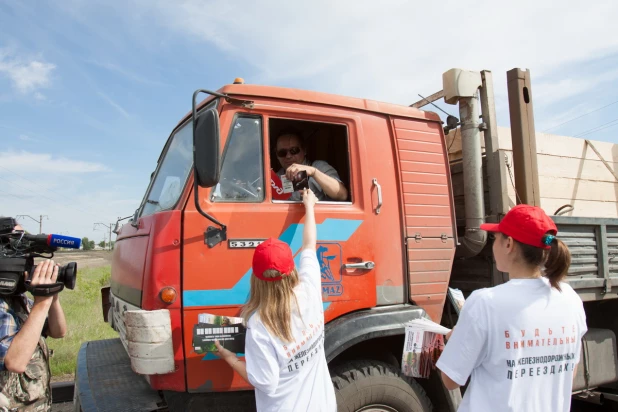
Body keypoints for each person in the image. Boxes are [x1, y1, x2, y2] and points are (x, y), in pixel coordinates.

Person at [436, 204, 587, 412]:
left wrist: (456, 341)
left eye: (495, 238)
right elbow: (569, 372)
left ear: (509, 244)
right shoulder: (570, 298)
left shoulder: (485, 303)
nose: (493, 245)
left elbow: (451, 380)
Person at [215, 188, 337, 412]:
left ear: (255, 279)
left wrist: (230, 358)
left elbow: (266, 384)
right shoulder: (310, 289)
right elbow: (309, 244)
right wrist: (310, 206)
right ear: (292, 270)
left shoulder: (260, 325)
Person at [0, 224, 67, 411]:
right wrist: (41, 303)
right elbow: (15, 362)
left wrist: (52, 298)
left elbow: (58, 331)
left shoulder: (19, 299)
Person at [275, 129, 348, 202]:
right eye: (282, 153)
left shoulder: (319, 167)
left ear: (304, 150)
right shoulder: (275, 179)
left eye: (294, 150)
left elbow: (342, 195)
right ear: (277, 156)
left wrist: (314, 173)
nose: (288, 156)